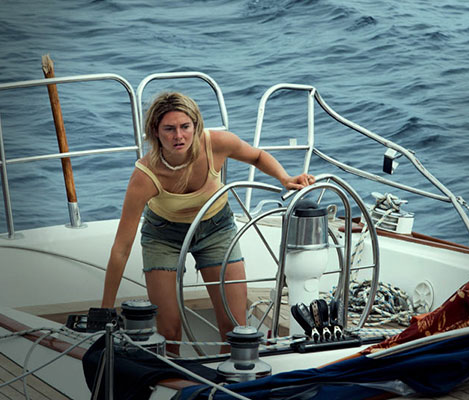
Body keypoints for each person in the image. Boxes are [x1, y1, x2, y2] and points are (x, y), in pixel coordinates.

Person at [101, 92, 314, 355]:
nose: (179, 136)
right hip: (163, 236)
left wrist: (285, 178)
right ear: (155, 131)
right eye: (169, 129)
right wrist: (105, 310)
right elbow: (121, 248)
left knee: (235, 328)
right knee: (169, 333)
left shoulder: (217, 144)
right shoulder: (144, 176)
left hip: (217, 229)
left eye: (185, 127)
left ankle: (232, 376)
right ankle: (173, 377)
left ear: (196, 126)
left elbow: (257, 156)